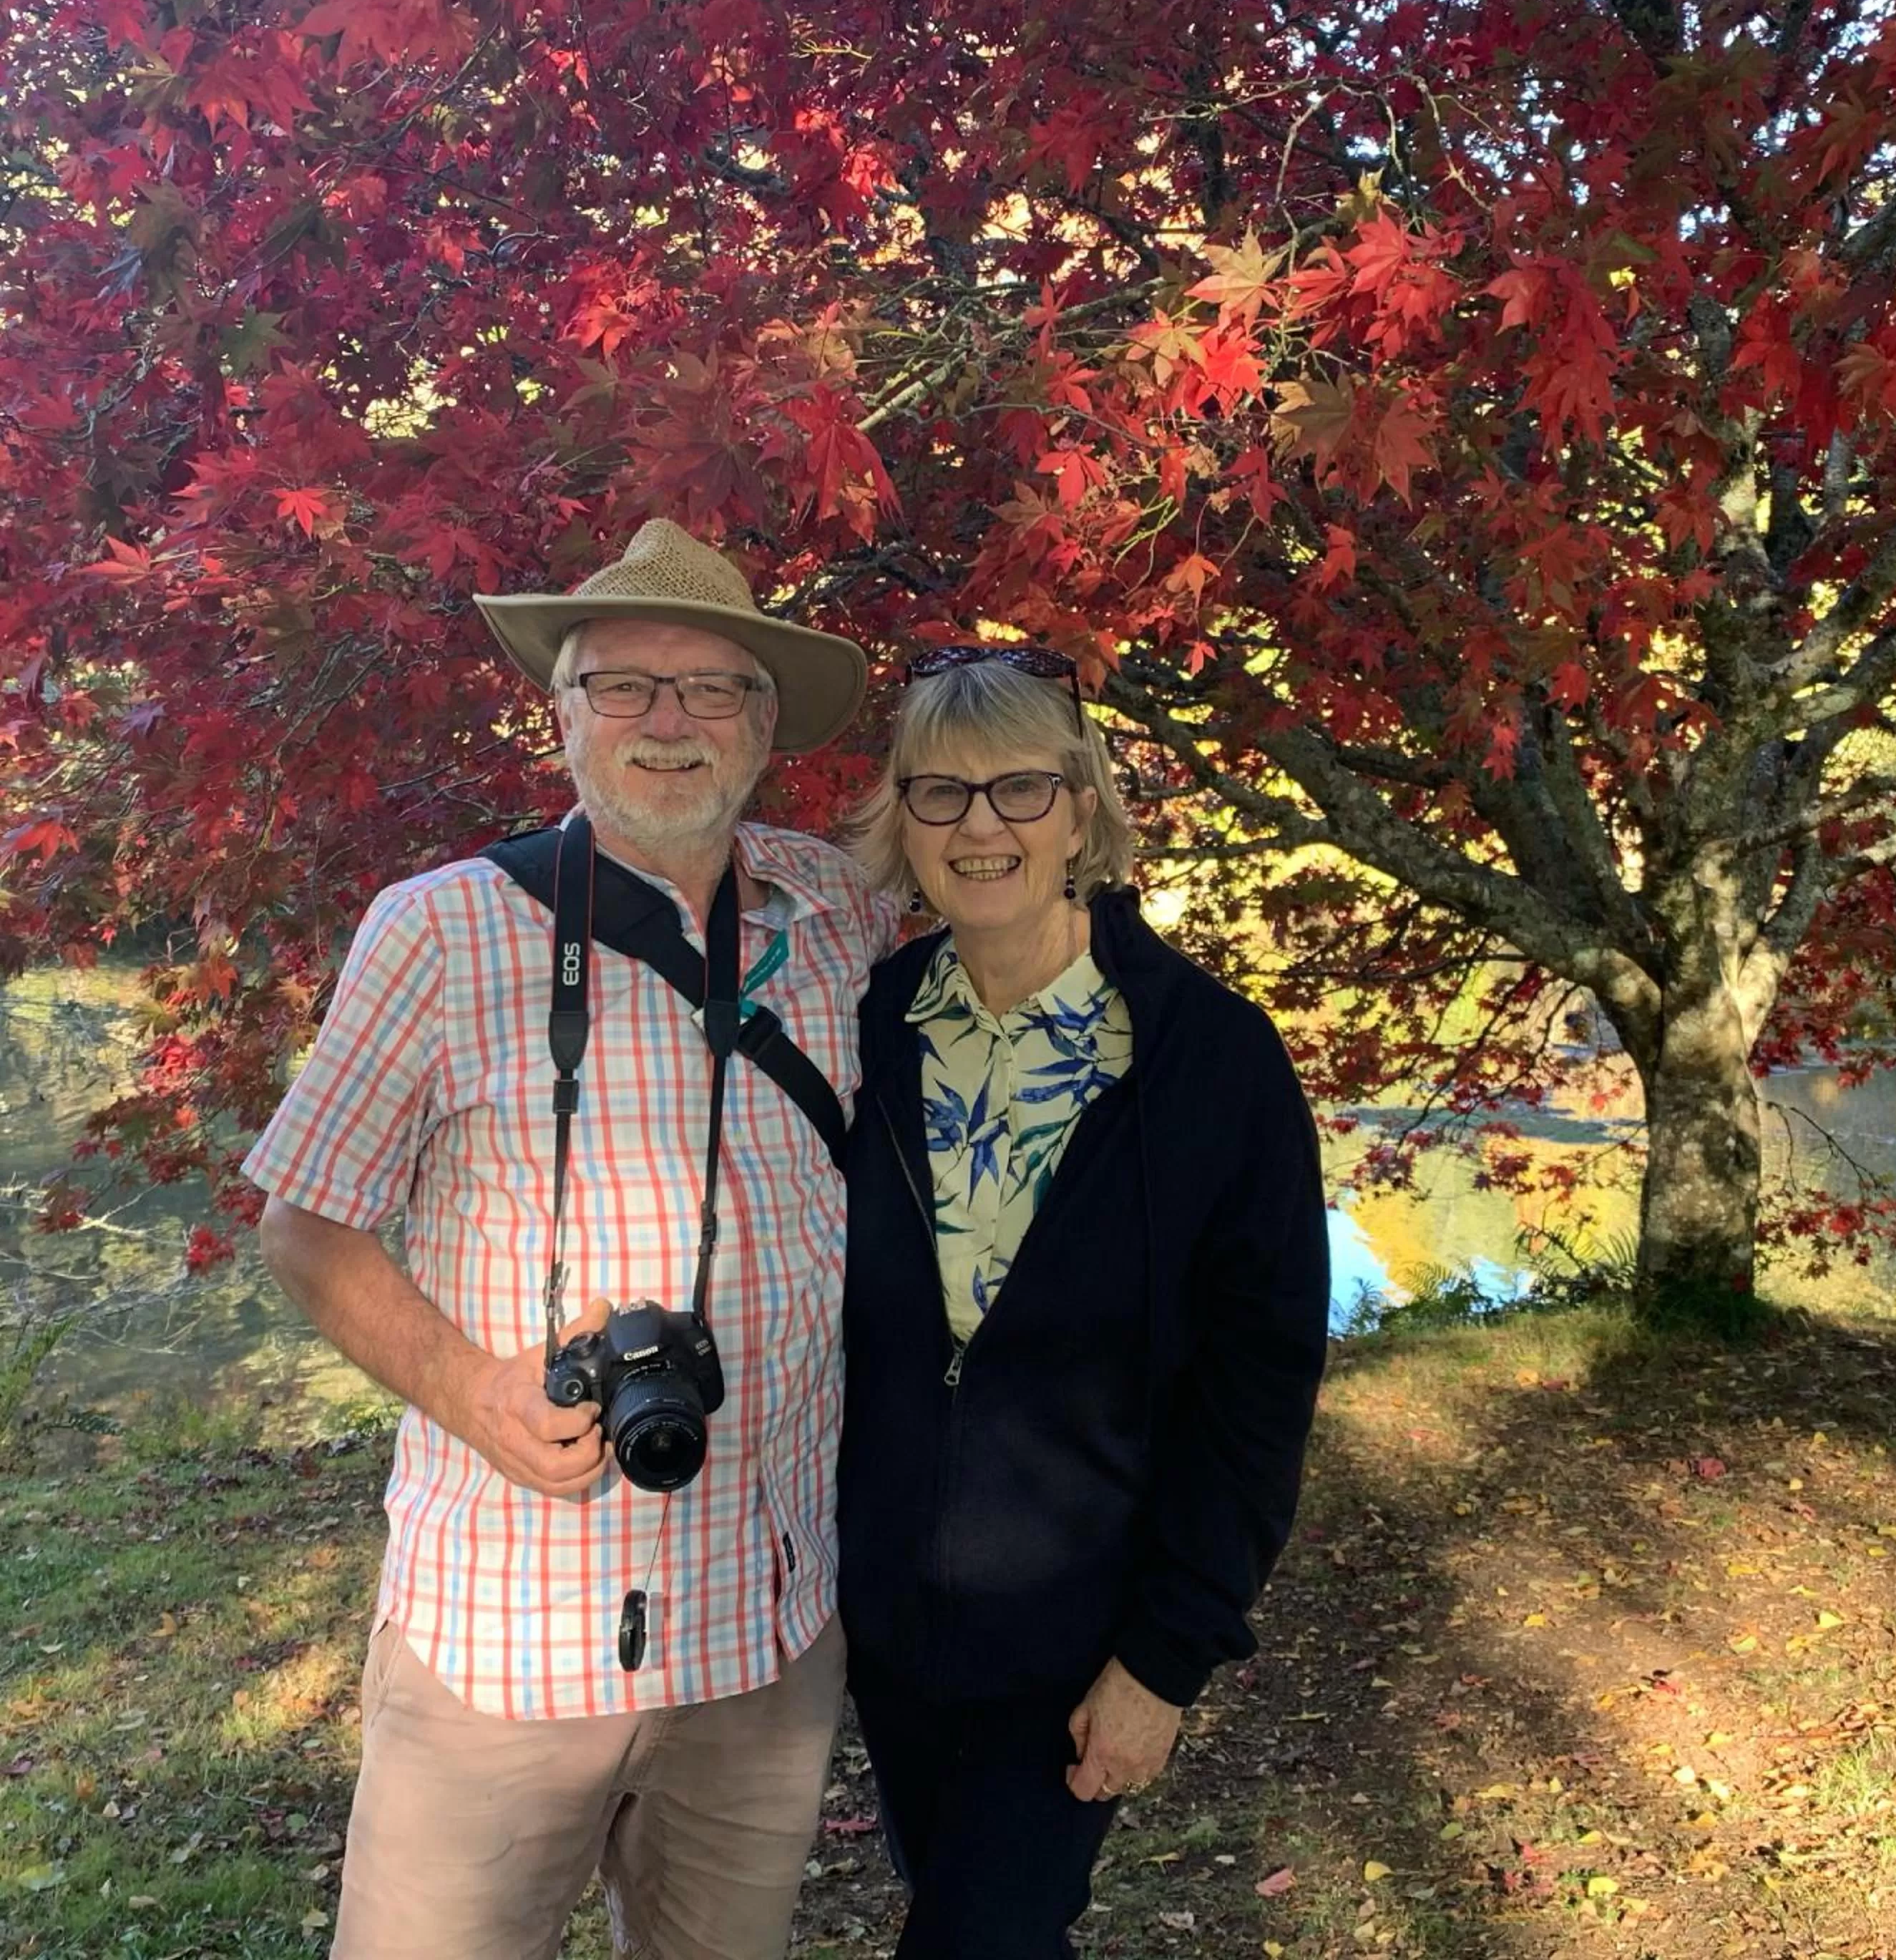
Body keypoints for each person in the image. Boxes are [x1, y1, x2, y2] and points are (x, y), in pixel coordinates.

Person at [247, 517, 895, 1960]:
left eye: (714, 688)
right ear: (561, 716)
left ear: (766, 723)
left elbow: (1011, 858)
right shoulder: (438, 929)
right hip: (504, 1631)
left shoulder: (837, 908)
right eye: (624, 686)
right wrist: (472, 1388)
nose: (671, 722)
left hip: (766, 1625)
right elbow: (304, 1223)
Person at [839, 645, 1331, 1958]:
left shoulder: (1206, 1058)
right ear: (902, 818)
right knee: (983, 1915)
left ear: (1083, 806)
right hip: (889, 1626)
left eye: (1019, 788)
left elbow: (1261, 1384)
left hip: (1080, 1635)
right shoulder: (866, 1028)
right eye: (940, 794)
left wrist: (1169, 1657)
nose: (981, 825)